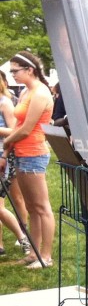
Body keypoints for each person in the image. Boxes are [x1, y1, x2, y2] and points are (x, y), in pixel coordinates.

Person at [0, 52, 55, 269]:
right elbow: (17, 128)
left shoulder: (40, 93)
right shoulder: (26, 92)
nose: (11, 75)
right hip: (22, 154)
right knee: (32, 208)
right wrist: (7, 152)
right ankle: (34, 253)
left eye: (15, 71)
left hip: (34, 154)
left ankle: (46, 256)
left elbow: (25, 130)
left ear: (29, 70)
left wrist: (5, 143)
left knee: (42, 207)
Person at [0, 70, 31, 258]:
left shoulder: (5, 102)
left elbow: (14, 130)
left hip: (3, 156)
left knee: (13, 200)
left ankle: (23, 236)